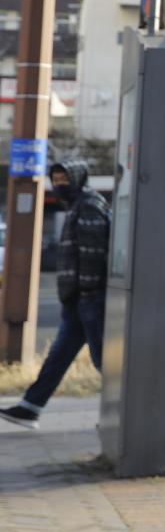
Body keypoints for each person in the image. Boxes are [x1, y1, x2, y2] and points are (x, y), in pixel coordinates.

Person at [1, 162, 111, 430]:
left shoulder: (88, 205)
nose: (59, 183)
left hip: (88, 299)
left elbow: (93, 254)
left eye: (64, 179)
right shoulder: (77, 205)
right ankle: (30, 408)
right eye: (56, 179)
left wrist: (86, 291)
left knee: (105, 361)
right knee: (59, 355)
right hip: (78, 300)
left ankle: (127, 414)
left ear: (78, 179)